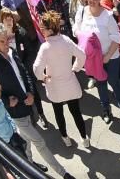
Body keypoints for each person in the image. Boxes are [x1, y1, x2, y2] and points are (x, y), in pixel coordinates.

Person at [0, 54, 76, 178]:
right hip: (0, 147)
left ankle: (32, 165)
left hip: (12, 139)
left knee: (25, 168)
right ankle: (63, 173)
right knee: (33, 151)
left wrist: (13, 130)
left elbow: (5, 112)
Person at [0, 22, 70, 177]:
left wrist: (31, 93)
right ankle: (63, 173)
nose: (6, 44)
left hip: (28, 105)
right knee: (40, 142)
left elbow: (25, 73)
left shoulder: (11, 51)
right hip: (15, 112)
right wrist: (6, 101)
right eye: (2, 41)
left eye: (7, 40)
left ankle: (28, 167)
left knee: (26, 142)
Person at [32, 11, 90, 149]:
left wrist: (43, 78)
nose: (40, 30)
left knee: (59, 114)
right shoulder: (66, 40)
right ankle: (84, 138)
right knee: (76, 112)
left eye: (42, 28)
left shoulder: (45, 47)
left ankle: (65, 138)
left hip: (55, 87)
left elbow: (36, 68)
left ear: (50, 30)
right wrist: (75, 69)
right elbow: (82, 55)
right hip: (70, 84)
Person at [72, 0, 120, 124]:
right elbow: (76, 30)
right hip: (94, 58)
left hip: (111, 56)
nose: (91, 0)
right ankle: (106, 110)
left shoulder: (108, 16)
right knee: (101, 84)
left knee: (114, 82)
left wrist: (108, 56)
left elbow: (116, 38)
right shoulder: (82, 11)